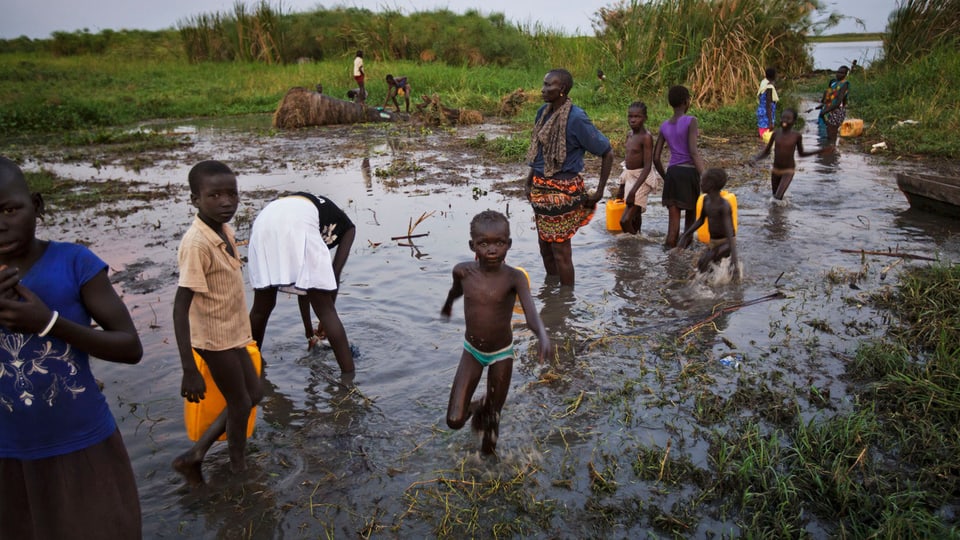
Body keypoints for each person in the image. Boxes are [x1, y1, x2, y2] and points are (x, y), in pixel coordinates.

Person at [0, 156, 144, 538]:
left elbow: (130, 347)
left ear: (38, 205)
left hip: (81, 440)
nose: (1, 225)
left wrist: (48, 323)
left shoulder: (74, 263)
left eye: (10, 209)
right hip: (8, 450)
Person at [172, 160, 263, 486]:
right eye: (214, 196)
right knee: (240, 400)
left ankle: (195, 455)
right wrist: (189, 368)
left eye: (231, 194)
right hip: (212, 339)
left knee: (254, 394)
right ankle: (238, 466)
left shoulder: (224, 229)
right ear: (195, 199)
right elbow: (180, 308)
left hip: (234, 333)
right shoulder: (196, 244)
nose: (226, 202)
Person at [441, 210, 550, 454]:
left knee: (493, 420)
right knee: (455, 420)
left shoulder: (515, 278)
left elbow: (531, 313)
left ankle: (487, 467)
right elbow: (456, 290)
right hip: (472, 352)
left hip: (502, 354)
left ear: (508, 244)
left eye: (499, 243)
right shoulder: (463, 271)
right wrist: (448, 304)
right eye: (484, 244)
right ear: (473, 246)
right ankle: (479, 406)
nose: (492, 250)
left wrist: (542, 335)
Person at [247, 192, 356, 373]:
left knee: (261, 306)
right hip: (296, 222)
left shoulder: (313, 209)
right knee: (326, 310)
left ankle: (251, 364)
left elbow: (304, 284)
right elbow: (333, 276)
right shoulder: (349, 229)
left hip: (263, 222)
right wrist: (324, 319)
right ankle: (349, 377)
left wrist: (309, 332)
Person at [525, 68, 613, 287]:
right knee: (544, 246)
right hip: (541, 189)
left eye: (548, 85)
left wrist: (600, 190)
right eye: (544, 84)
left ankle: (565, 304)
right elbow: (539, 151)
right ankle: (552, 297)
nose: (543, 89)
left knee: (561, 251)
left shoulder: (576, 118)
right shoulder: (543, 113)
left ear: (562, 89)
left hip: (563, 191)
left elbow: (607, 152)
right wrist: (529, 181)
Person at [653, 85, 706, 248]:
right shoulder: (691, 121)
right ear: (686, 101)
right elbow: (693, 151)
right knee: (689, 226)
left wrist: (666, 177)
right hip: (689, 174)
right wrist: (705, 176)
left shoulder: (664, 126)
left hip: (673, 174)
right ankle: (682, 262)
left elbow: (656, 158)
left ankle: (669, 262)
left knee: (672, 230)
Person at [750, 108, 834, 200]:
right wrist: (756, 159)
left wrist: (820, 151)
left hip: (788, 171)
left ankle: (779, 212)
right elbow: (767, 152)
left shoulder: (796, 136)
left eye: (788, 118)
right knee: (774, 198)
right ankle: (781, 212)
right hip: (775, 170)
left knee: (777, 197)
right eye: (783, 118)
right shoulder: (776, 133)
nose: (785, 120)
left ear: (794, 121)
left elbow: (802, 153)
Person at [677, 168, 738, 274]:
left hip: (726, 243)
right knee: (705, 266)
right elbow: (700, 220)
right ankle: (715, 284)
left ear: (711, 185)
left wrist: (734, 258)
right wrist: (685, 235)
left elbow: (729, 232)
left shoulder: (723, 206)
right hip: (713, 242)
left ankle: (705, 286)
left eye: (703, 181)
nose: (700, 183)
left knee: (705, 260)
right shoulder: (706, 201)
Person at [615, 101, 655, 234]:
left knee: (624, 221)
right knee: (635, 217)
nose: (632, 120)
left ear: (645, 118)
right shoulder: (629, 135)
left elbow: (647, 166)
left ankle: (631, 245)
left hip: (642, 178)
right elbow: (627, 163)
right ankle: (638, 240)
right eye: (630, 116)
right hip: (630, 177)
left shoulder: (646, 137)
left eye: (637, 117)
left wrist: (633, 191)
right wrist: (622, 186)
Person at [819, 65, 850, 144]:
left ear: (846, 75)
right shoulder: (833, 83)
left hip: (836, 111)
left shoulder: (844, 84)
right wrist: (822, 105)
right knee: (827, 132)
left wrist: (825, 111)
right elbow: (828, 96)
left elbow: (839, 102)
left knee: (832, 133)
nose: (839, 74)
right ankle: (829, 153)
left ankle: (831, 152)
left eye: (842, 73)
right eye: (838, 72)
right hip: (828, 109)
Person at [756, 67, 779, 141]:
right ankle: (764, 148)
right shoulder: (769, 87)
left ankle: (762, 145)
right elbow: (768, 105)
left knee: (762, 129)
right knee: (766, 134)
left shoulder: (764, 83)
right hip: (766, 113)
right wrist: (770, 122)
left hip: (762, 110)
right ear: (773, 76)